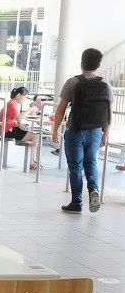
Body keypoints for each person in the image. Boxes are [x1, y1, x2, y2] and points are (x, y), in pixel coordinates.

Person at [52, 48, 113, 214]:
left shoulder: (73, 82)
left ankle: (77, 202)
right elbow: (108, 111)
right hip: (95, 131)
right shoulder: (105, 84)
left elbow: (60, 110)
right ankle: (94, 189)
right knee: (91, 162)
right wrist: (106, 132)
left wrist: (55, 129)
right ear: (98, 65)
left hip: (76, 130)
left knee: (75, 167)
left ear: (82, 63)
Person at [3, 87, 41, 170]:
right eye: (25, 96)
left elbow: (15, 119)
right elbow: (18, 118)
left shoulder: (12, 103)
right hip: (8, 131)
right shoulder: (12, 104)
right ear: (19, 95)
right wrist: (30, 109)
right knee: (35, 136)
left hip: (8, 129)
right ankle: (32, 161)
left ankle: (33, 160)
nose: (25, 99)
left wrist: (20, 125)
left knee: (30, 131)